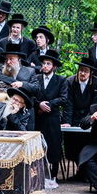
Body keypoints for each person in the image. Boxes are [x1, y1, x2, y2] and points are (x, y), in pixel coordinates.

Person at [31, 49, 68, 180]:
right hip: (39, 117)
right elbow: (31, 96)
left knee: (54, 145)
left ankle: (53, 175)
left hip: (52, 117)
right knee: (38, 145)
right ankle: (38, 174)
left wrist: (49, 104)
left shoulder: (61, 80)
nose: (45, 66)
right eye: (44, 63)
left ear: (54, 66)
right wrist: (39, 104)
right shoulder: (36, 78)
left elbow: (64, 98)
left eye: (48, 64)